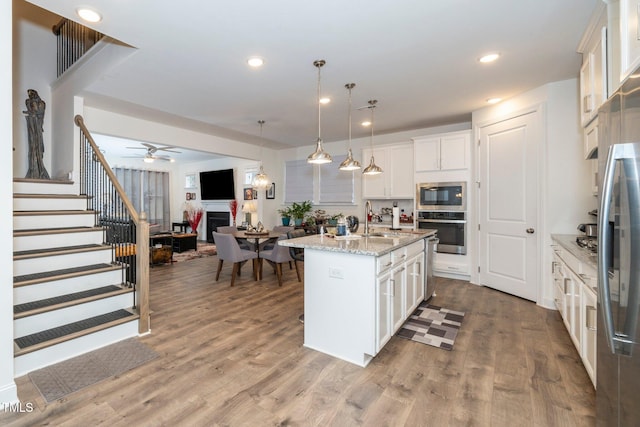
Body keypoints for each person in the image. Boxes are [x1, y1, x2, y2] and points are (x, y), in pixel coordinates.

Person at [23, 89, 50, 179]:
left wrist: (34, 113)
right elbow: (31, 111)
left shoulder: (41, 103)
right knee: (32, 147)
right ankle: (33, 170)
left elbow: (39, 114)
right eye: (29, 95)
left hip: (37, 126)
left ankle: (40, 171)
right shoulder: (28, 101)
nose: (30, 96)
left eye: (31, 94)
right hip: (31, 124)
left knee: (38, 147)